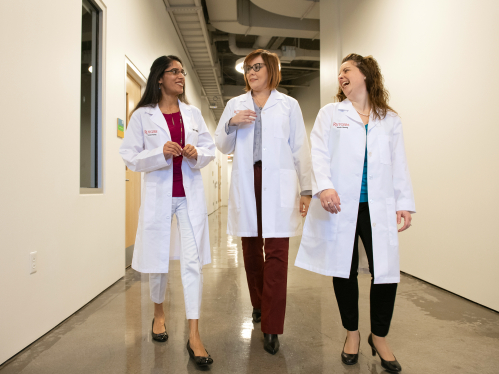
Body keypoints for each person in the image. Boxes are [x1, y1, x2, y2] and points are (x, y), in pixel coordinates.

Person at [295, 53, 415, 372]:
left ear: (365, 74)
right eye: (339, 73)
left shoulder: (389, 119)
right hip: (340, 205)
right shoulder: (330, 113)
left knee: (385, 271)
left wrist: (404, 202)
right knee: (343, 270)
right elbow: (317, 153)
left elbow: (399, 161)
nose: (340, 76)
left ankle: (380, 336)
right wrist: (325, 186)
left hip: (379, 206)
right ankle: (352, 333)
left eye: (346, 70)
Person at [119, 55, 215, 367]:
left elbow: (209, 149)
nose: (181, 76)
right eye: (175, 71)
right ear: (160, 77)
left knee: (192, 262)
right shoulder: (143, 116)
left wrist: (195, 152)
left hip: (188, 196)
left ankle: (194, 334)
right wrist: (159, 152)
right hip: (160, 195)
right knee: (159, 260)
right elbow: (130, 156)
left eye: (182, 72)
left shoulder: (193, 113)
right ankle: (159, 314)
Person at [215, 49, 312, 355]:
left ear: (271, 69)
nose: (251, 72)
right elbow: (221, 143)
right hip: (248, 180)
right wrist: (232, 122)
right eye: (247, 68)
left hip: (279, 183)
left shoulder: (289, 105)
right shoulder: (236, 104)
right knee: (251, 249)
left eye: (256, 67)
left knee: (277, 253)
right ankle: (258, 305)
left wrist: (307, 189)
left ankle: (272, 326)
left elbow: (300, 148)